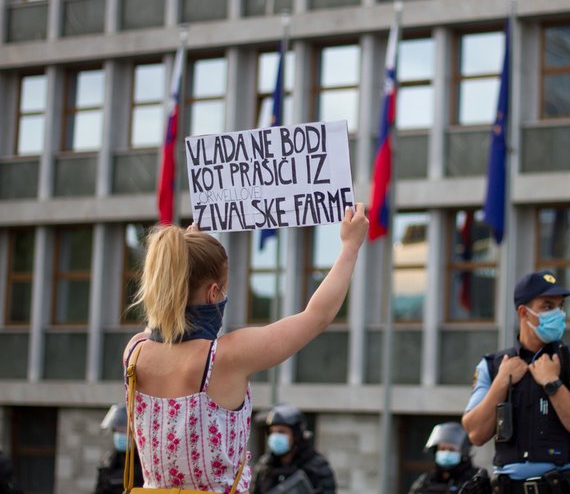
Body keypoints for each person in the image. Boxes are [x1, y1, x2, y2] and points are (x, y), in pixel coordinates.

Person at [122, 204, 368, 492]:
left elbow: (163, 321)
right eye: (223, 289)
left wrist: (186, 255)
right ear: (214, 293)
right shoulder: (224, 358)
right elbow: (316, 317)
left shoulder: (135, 351)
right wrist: (350, 246)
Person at [462, 270, 570, 494]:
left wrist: (552, 383)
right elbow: (475, 433)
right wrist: (502, 381)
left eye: (560, 306)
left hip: (562, 486)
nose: (558, 314)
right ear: (524, 312)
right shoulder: (492, 366)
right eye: (548, 306)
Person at [250, 403, 336, 494]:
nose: (275, 436)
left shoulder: (317, 467)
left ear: (296, 435)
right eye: (272, 432)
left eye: (281, 432)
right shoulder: (264, 466)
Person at [408, 422, 483, 494]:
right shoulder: (426, 480)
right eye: (442, 449)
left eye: (451, 449)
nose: (446, 453)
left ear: (464, 453)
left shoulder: (475, 481)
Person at [94, 403, 143, 493]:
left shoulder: (145, 464)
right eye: (118, 430)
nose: (120, 435)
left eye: (125, 430)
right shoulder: (108, 461)